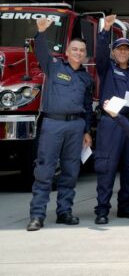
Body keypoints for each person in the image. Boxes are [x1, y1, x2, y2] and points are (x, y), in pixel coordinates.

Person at [26, 18, 94, 232]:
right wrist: (41, 32)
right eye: (74, 49)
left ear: (85, 54)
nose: (78, 53)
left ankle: (64, 211)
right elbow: (41, 53)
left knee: (71, 171)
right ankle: (37, 215)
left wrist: (87, 131)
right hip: (52, 124)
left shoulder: (86, 78)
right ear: (67, 51)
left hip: (76, 127)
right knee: (45, 170)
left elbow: (87, 107)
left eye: (82, 50)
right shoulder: (53, 66)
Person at [93, 14, 129, 224]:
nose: (122, 52)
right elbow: (100, 54)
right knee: (107, 166)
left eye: (126, 49)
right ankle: (102, 209)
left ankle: (125, 206)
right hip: (111, 123)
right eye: (119, 49)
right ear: (114, 53)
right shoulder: (107, 68)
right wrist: (105, 30)